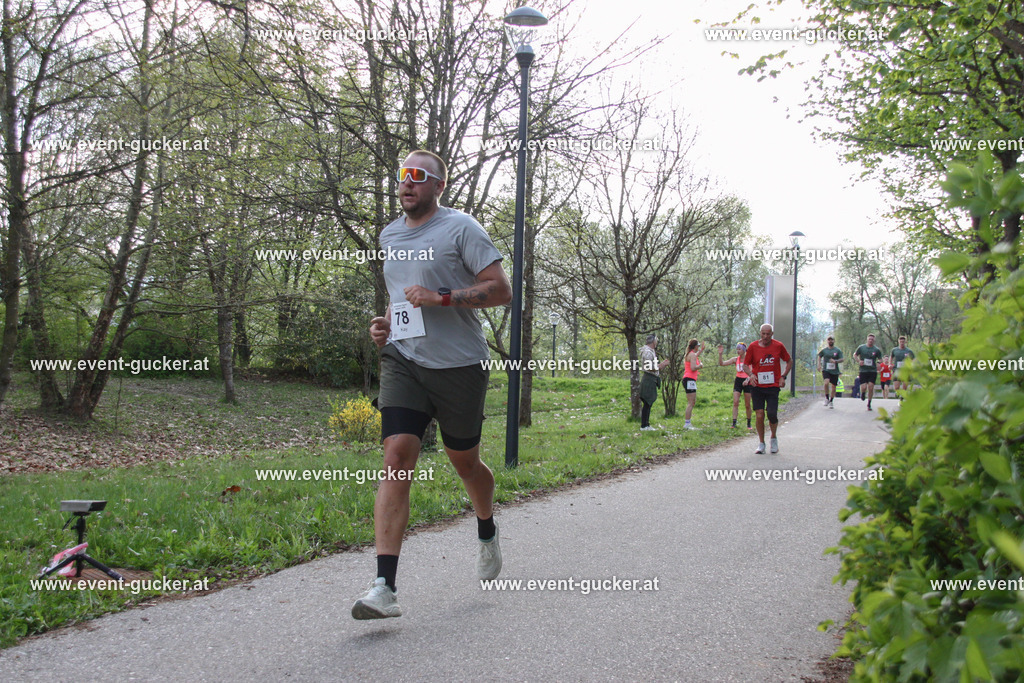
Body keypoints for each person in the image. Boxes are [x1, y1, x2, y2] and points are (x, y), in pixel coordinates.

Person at [354, 150, 512, 620]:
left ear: (438, 186)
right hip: (403, 358)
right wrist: (384, 324)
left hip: (458, 365)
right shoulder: (390, 234)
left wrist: (442, 298)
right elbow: (401, 296)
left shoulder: (461, 228)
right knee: (397, 455)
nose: (407, 183)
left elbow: (501, 290)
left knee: (465, 464)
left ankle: (486, 527)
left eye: (418, 177)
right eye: (402, 175)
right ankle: (384, 586)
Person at [743, 324, 792, 454]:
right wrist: (751, 375)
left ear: (772, 334)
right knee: (759, 415)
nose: (765, 337)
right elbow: (745, 365)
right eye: (763, 334)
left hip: (773, 386)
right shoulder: (753, 346)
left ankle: (773, 438)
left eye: (768, 334)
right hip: (757, 386)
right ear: (760, 333)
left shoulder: (778, 346)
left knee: (771, 414)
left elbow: (789, 361)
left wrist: (783, 377)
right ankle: (761, 443)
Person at [639, 333, 669, 431]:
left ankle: (646, 424)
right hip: (648, 379)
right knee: (647, 402)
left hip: (650, 378)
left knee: (649, 403)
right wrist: (660, 366)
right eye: (656, 340)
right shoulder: (647, 352)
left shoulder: (650, 351)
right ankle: (644, 426)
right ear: (653, 341)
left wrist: (661, 365)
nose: (657, 342)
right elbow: (648, 367)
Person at [719, 342, 752, 429]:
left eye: (739, 349)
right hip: (738, 381)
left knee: (747, 404)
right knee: (735, 402)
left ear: (744, 350)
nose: (738, 351)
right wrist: (720, 354)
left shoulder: (749, 359)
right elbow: (722, 363)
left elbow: (753, 372)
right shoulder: (735, 359)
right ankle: (734, 423)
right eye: (737, 349)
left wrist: (748, 379)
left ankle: (749, 423)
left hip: (747, 381)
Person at [853, 333, 883, 411]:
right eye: (869, 339)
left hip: (872, 371)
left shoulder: (876, 350)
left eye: (872, 339)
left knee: (870, 387)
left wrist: (879, 364)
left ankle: (869, 403)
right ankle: (863, 393)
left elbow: (880, 359)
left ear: (874, 341)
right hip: (863, 370)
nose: (871, 341)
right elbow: (855, 355)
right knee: (863, 387)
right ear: (867, 340)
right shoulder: (861, 348)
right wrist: (859, 361)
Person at [816, 335, 843, 409]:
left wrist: (835, 361)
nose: (830, 341)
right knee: (826, 382)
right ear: (827, 341)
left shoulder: (837, 350)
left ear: (834, 341)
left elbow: (842, 359)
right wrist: (819, 365)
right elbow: (819, 356)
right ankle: (827, 398)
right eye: (829, 340)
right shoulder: (824, 350)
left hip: (835, 371)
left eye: (832, 340)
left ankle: (831, 401)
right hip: (826, 370)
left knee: (834, 387)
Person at [682, 339, 703, 430]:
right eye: (698, 346)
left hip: (688, 379)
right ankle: (687, 424)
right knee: (691, 402)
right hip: (690, 380)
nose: (698, 347)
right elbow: (693, 367)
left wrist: (701, 351)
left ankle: (688, 423)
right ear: (695, 346)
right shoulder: (692, 355)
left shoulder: (689, 354)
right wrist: (700, 366)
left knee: (692, 402)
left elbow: (695, 357)